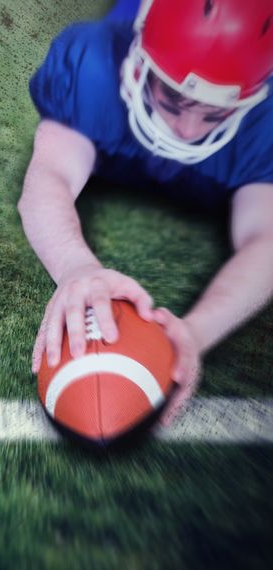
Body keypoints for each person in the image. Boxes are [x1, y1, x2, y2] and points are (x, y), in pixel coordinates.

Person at [19, 0, 273, 424]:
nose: (188, 130)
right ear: (137, 65)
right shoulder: (95, 60)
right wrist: (76, 267)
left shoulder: (264, 121)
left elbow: (266, 238)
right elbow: (51, 175)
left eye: (214, 112)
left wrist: (196, 330)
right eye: (174, 99)